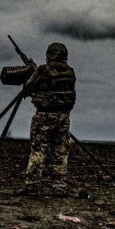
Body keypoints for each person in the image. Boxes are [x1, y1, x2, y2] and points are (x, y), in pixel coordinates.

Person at [21, 42, 76, 194]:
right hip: (63, 117)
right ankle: (58, 185)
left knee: (39, 149)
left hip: (44, 116)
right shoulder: (70, 72)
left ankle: (33, 185)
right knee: (60, 151)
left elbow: (29, 87)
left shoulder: (43, 70)